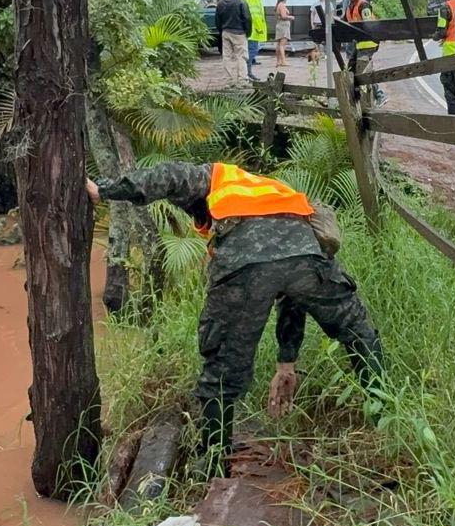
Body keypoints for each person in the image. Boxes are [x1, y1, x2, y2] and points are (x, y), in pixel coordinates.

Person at [86, 162, 383, 477]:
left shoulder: (216, 176)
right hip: (308, 258)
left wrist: (103, 189)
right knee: (359, 332)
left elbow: (167, 175)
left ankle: (214, 462)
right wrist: (286, 364)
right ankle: (386, 419)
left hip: (244, 267)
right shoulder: (274, 190)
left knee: (221, 372)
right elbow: (292, 293)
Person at [341, 0, 385, 105]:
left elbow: (367, 25)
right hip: (359, 44)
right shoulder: (350, 6)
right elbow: (343, 21)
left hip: (368, 42)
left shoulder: (363, 5)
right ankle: (356, 97)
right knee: (350, 69)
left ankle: (379, 95)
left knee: (363, 70)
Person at [214, 0, 251, 86]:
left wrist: (221, 30)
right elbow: (247, 18)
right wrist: (247, 32)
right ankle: (243, 80)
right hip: (239, 32)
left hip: (226, 32)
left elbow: (217, 19)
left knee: (227, 57)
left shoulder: (221, 2)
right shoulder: (241, 1)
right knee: (241, 56)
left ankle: (228, 81)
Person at [243, 0, 269, 82]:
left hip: (250, 31)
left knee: (249, 53)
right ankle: (247, 73)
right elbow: (255, 16)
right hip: (254, 31)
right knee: (251, 52)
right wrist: (259, 30)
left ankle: (247, 73)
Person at [274, 0, 293, 68]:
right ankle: (283, 61)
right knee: (282, 44)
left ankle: (278, 61)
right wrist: (290, 17)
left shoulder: (279, 5)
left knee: (279, 44)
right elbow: (284, 16)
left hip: (280, 25)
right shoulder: (281, 5)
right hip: (283, 26)